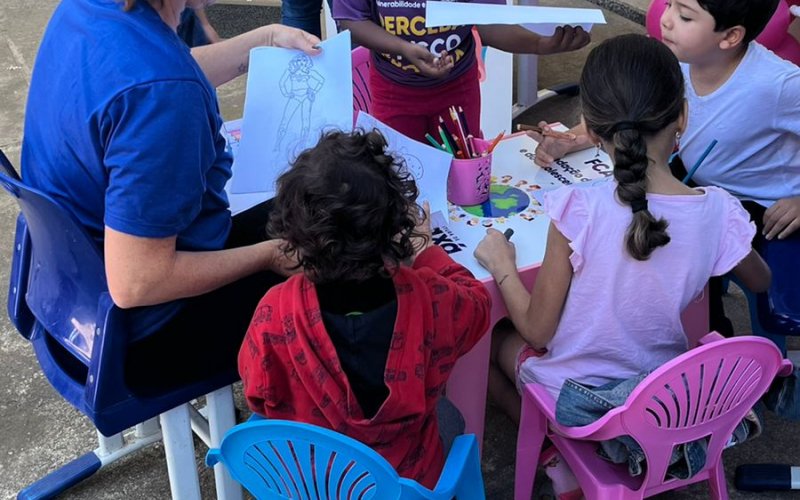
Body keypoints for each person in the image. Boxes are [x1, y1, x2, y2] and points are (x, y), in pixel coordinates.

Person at [21, 0, 321, 393]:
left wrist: (265, 39)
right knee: (341, 252)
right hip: (143, 335)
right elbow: (138, 283)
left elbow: (157, 70)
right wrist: (268, 255)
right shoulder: (164, 95)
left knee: (309, 208)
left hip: (71, 298)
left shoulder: (84, 11)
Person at [473, 34, 772, 426]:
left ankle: (555, 447)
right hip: (660, 396)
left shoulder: (578, 209)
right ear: (683, 116)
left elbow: (536, 332)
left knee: (487, 344)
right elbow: (761, 281)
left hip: (575, 395)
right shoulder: (718, 210)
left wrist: (502, 266)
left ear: (591, 130)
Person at [529, 0, 799, 336]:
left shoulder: (779, 84)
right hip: (694, 180)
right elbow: (629, 116)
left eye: (684, 16)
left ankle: (709, 336)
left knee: (675, 252)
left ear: (730, 36)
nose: (666, 20)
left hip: (762, 207)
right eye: (669, 4)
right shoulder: (676, 60)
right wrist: (570, 140)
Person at [238, 130, 491, 488]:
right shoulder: (431, 298)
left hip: (314, 485)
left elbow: (258, 395)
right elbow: (479, 305)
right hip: (407, 486)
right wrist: (426, 252)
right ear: (394, 225)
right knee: (449, 417)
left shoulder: (274, 312)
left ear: (295, 235)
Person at [333, 0, 590, 144]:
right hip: (393, 91)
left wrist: (539, 44)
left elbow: (488, 22)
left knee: (463, 168)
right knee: (401, 172)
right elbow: (351, 21)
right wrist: (402, 48)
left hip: (457, 89)